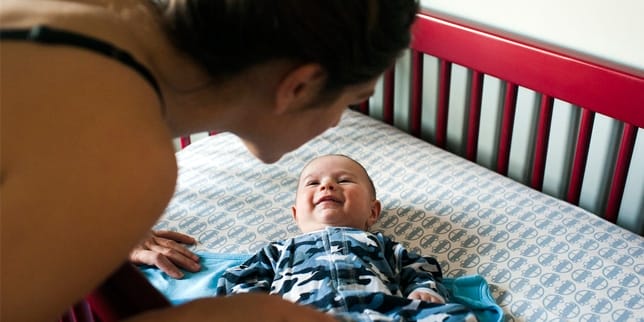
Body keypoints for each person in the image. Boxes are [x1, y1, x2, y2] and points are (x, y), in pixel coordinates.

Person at [0, 0, 419, 321]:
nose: (333, 126)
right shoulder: (131, 159)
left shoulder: (91, 16)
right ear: (300, 86)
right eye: (346, 103)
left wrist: (90, 227)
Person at [216, 155, 477, 322]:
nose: (327, 186)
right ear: (296, 215)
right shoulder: (280, 250)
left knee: (455, 315)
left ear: (372, 211)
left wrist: (424, 290)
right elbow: (242, 277)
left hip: (381, 313)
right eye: (312, 183)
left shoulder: (381, 244)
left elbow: (419, 268)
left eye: (343, 180)